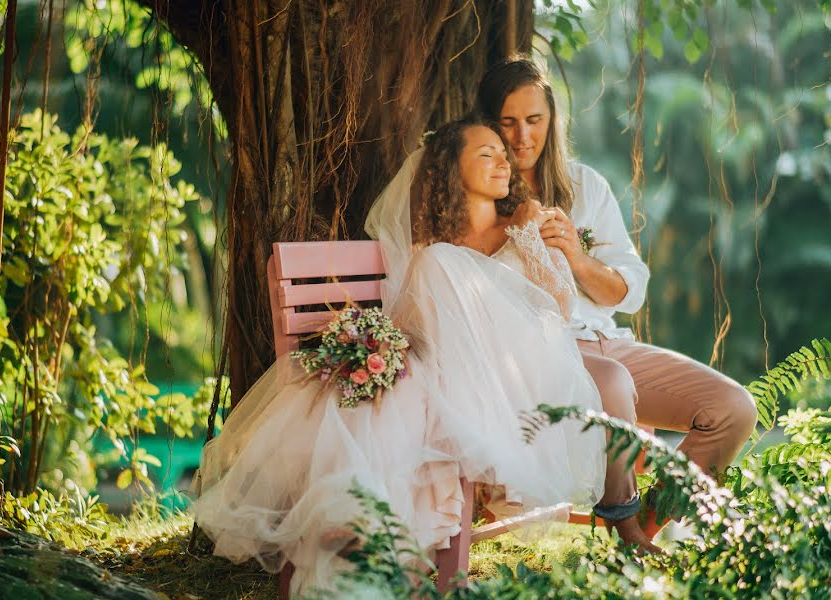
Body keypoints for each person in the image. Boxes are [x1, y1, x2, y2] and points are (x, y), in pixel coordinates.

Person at [189, 119, 608, 596]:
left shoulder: (522, 226)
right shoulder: (429, 246)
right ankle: (365, 544)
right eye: (486, 154)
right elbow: (412, 324)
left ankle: (375, 538)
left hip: (517, 376)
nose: (503, 163)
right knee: (395, 394)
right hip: (443, 375)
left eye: (502, 155)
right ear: (454, 168)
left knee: (416, 345)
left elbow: (560, 305)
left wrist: (530, 237)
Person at [476, 56, 758, 540]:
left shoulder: (586, 186)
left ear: (552, 121)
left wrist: (578, 259)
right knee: (614, 381)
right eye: (508, 122)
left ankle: (643, 532)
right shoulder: (479, 191)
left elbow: (630, 290)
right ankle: (627, 534)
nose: (522, 136)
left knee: (733, 408)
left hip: (606, 339)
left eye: (534, 120)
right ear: (488, 124)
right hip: (537, 355)